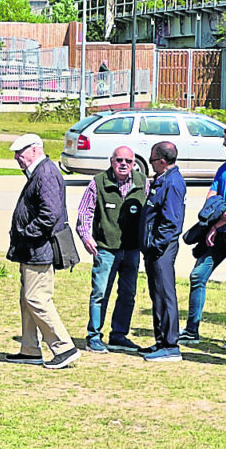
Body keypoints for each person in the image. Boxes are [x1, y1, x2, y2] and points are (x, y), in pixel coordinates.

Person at [5, 134, 78, 369]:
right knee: (27, 299)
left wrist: (27, 233)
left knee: (36, 298)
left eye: (20, 153)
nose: (17, 158)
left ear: (35, 150)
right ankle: (29, 349)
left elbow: (50, 213)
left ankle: (64, 348)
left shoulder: (45, 173)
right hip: (32, 248)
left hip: (39, 248)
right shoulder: (40, 172)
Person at [75, 146, 146, 353]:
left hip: (132, 250)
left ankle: (119, 335)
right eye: (119, 160)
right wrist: (87, 237)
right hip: (105, 249)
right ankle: (94, 336)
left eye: (128, 161)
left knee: (128, 294)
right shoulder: (98, 182)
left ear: (134, 164)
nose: (124, 164)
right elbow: (84, 213)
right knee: (99, 293)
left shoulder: (143, 183)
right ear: (111, 161)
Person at [140, 141, 186, 362]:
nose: (150, 163)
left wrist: (155, 245)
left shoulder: (173, 183)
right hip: (154, 248)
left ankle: (170, 345)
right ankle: (161, 340)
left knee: (165, 294)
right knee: (157, 295)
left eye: (151, 159)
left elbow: (171, 221)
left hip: (162, 249)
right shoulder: (162, 180)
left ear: (161, 161)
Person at [181, 132, 226, 344]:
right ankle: (192, 330)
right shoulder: (223, 168)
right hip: (218, 236)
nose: (224, 142)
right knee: (198, 276)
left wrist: (215, 225)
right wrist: (213, 219)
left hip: (218, 231)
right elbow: (212, 196)